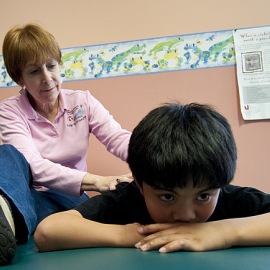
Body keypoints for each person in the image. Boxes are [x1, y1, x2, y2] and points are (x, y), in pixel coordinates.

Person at [34, 102, 270, 253]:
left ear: (220, 185)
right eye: (167, 197)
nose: (185, 215)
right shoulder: (129, 199)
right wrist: (127, 234)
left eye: (203, 196)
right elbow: (48, 231)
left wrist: (224, 231)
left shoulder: (230, 199)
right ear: (140, 184)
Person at [0, 23, 132, 265]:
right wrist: (97, 181)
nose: (47, 78)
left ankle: (12, 218)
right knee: (6, 155)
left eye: (51, 66)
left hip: (71, 200)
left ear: (59, 64)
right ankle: (9, 213)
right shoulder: (9, 111)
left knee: (27, 206)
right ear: (19, 78)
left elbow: (119, 139)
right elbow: (33, 166)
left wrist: (155, 154)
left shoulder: (83, 102)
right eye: (34, 71)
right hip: (31, 195)